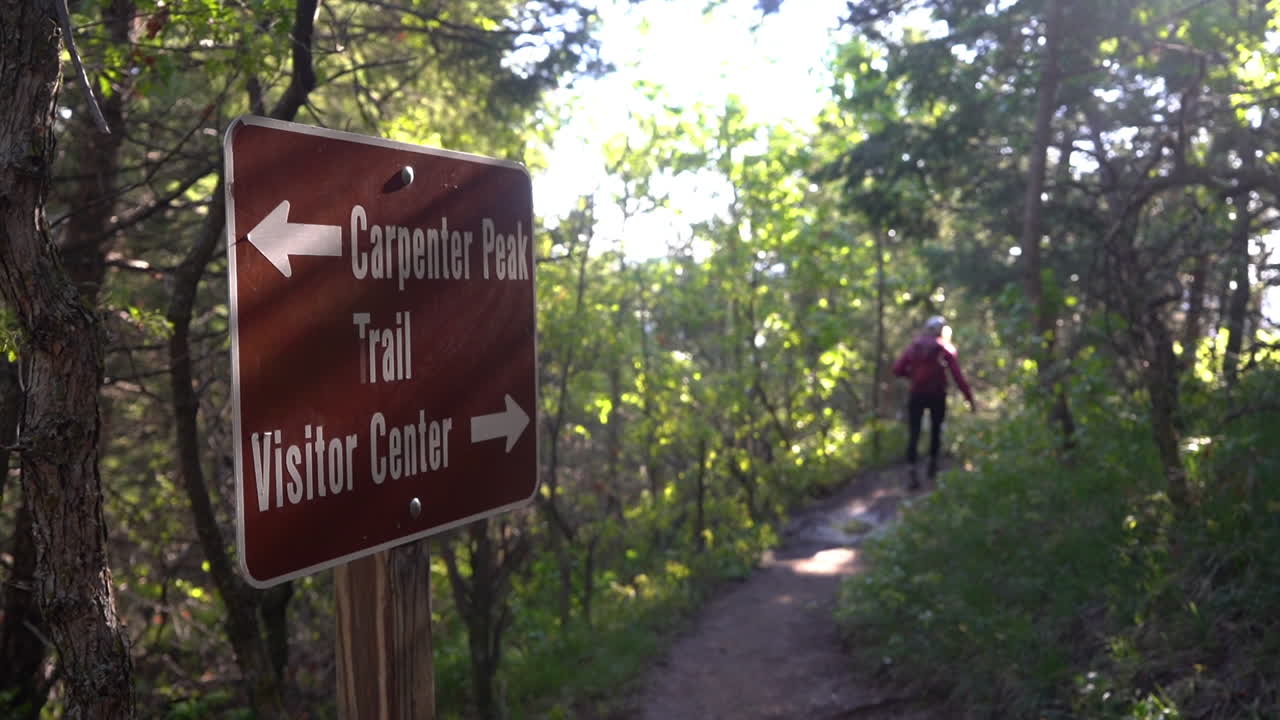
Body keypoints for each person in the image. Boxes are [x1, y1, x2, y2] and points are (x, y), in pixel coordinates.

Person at [892, 315, 975, 489]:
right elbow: (957, 376)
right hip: (937, 394)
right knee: (936, 431)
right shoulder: (945, 347)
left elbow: (897, 369)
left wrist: (913, 377)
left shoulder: (914, 346)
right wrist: (968, 397)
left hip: (916, 394)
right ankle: (932, 467)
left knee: (914, 432)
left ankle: (911, 470)